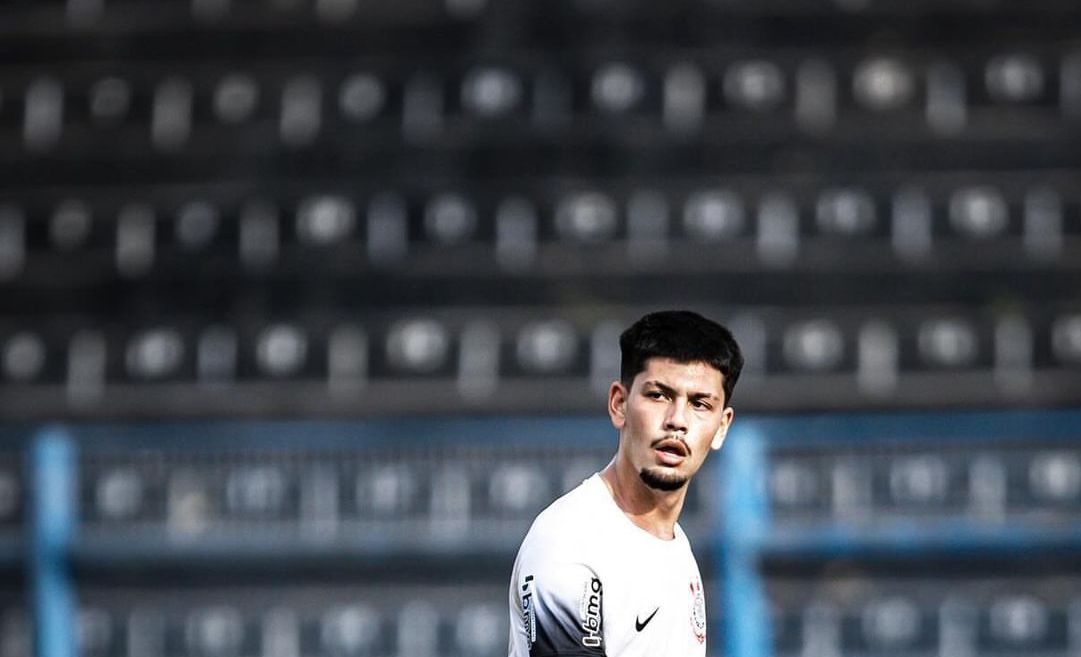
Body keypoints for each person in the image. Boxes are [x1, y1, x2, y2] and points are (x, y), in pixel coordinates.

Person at [507, 310, 743, 657]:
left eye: (699, 404)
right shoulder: (569, 543)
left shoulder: (676, 548)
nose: (677, 420)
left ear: (721, 426)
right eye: (658, 395)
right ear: (619, 404)